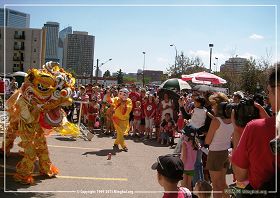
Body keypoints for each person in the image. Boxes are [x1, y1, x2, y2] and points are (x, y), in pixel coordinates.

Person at [231, 64, 280, 194]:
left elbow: (240, 176)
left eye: (269, 91)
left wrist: (236, 131)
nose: (268, 97)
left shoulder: (255, 129)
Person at [204, 92, 234, 198]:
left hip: (215, 154)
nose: (212, 107)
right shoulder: (232, 119)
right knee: (222, 183)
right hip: (225, 152)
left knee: (216, 185)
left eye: (213, 105)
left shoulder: (216, 121)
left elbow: (207, 141)